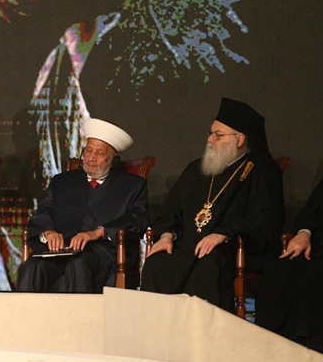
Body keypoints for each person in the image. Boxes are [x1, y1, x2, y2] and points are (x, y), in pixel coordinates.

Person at [141, 98, 284, 310]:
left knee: (206, 267)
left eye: (218, 135)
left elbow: (266, 218)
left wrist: (223, 234)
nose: (210, 140)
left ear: (240, 139)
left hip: (230, 250)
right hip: (189, 245)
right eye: (210, 133)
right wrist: (166, 236)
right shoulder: (195, 169)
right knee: (157, 262)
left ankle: (203, 338)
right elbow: (172, 211)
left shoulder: (260, 172)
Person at [17, 118, 148, 293]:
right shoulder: (62, 181)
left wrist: (99, 232)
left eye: (100, 153)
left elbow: (138, 219)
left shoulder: (132, 185)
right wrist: (48, 233)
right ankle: (24, 319)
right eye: (88, 151)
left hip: (102, 254)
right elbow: (42, 212)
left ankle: (80, 320)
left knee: (78, 264)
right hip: (62, 250)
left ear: (113, 159)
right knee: (32, 266)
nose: (91, 158)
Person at [255, 125, 323, 356]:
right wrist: (304, 233)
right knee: (279, 269)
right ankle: (274, 339)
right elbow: (310, 213)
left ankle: (318, 343)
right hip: (318, 248)